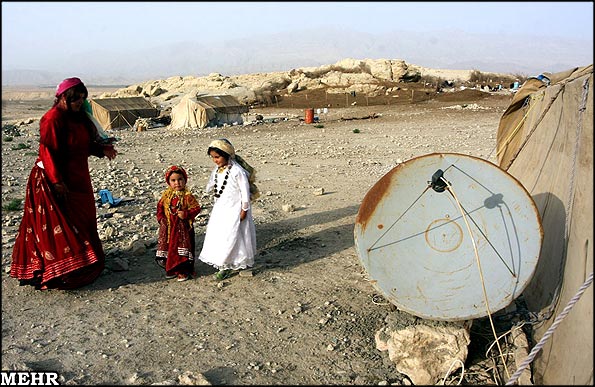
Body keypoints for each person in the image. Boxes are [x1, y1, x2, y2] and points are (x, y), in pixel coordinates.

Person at [10, 77, 118, 290]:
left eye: (82, 98)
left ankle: (82, 261)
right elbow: (48, 152)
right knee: (60, 224)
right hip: (55, 179)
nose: (79, 102)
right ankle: (61, 271)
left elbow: (82, 144)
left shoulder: (77, 118)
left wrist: (101, 150)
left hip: (79, 177)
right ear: (62, 98)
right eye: (75, 99)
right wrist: (57, 181)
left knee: (84, 217)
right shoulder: (52, 119)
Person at [199, 139, 259, 280]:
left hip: (235, 209)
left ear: (227, 154)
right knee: (221, 236)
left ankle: (232, 263)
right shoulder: (217, 170)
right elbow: (211, 185)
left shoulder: (237, 172)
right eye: (213, 157)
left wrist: (244, 209)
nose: (215, 160)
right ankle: (224, 264)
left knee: (234, 236)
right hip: (221, 209)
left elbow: (245, 193)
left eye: (217, 157)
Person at [155, 165, 201, 282]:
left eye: (180, 179)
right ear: (168, 182)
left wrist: (186, 214)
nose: (177, 183)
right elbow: (160, 208)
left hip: (183, 230)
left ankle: (183, 271)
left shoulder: (187, 196)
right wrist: (161, 219)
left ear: (185, 180)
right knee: (171, 249)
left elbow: (196, 208)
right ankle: (172, 269)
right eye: (173, 180)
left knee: (183, 250)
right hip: (170, 228)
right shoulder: (166, 196)